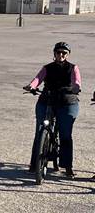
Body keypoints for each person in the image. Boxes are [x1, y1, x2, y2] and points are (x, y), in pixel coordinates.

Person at [23, 41, 81, 178]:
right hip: (47, 100)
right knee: (39, 131)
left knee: (65, 135)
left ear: (68, 55)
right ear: (54, 54)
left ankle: (67, 166)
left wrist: (75, 88)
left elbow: (76, 82)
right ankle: (34, 164)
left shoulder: (73, 68)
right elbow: (38, 79)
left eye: (64, 53)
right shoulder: (47, 68)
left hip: (67, 102)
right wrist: (31, 86)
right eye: (58, 52)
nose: (61, 55)